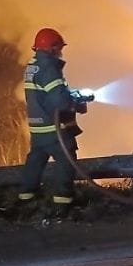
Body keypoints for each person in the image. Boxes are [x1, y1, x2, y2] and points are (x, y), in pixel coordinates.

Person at [18, 27, 87, 219]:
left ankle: (26, 198)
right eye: (59, 48)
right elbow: (59, 100)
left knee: (35, 161)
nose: (61, 52)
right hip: (53, 128)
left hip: (38, 127)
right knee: (66, 161)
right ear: (53, 47)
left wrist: (71, 94)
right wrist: (76, 104)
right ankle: (62, 204)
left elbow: (46, 93)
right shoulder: (49, 68)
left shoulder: (33, 66)